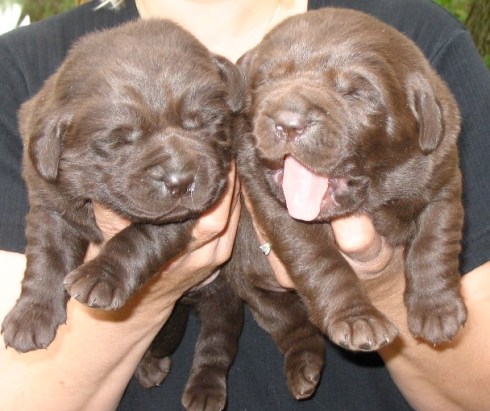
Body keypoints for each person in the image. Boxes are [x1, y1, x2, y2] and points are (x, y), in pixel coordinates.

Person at [0, 0, 489, 409]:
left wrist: (382, 289)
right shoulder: (23, 71)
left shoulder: (417, 39)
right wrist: (142, 286)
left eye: (204, 123)